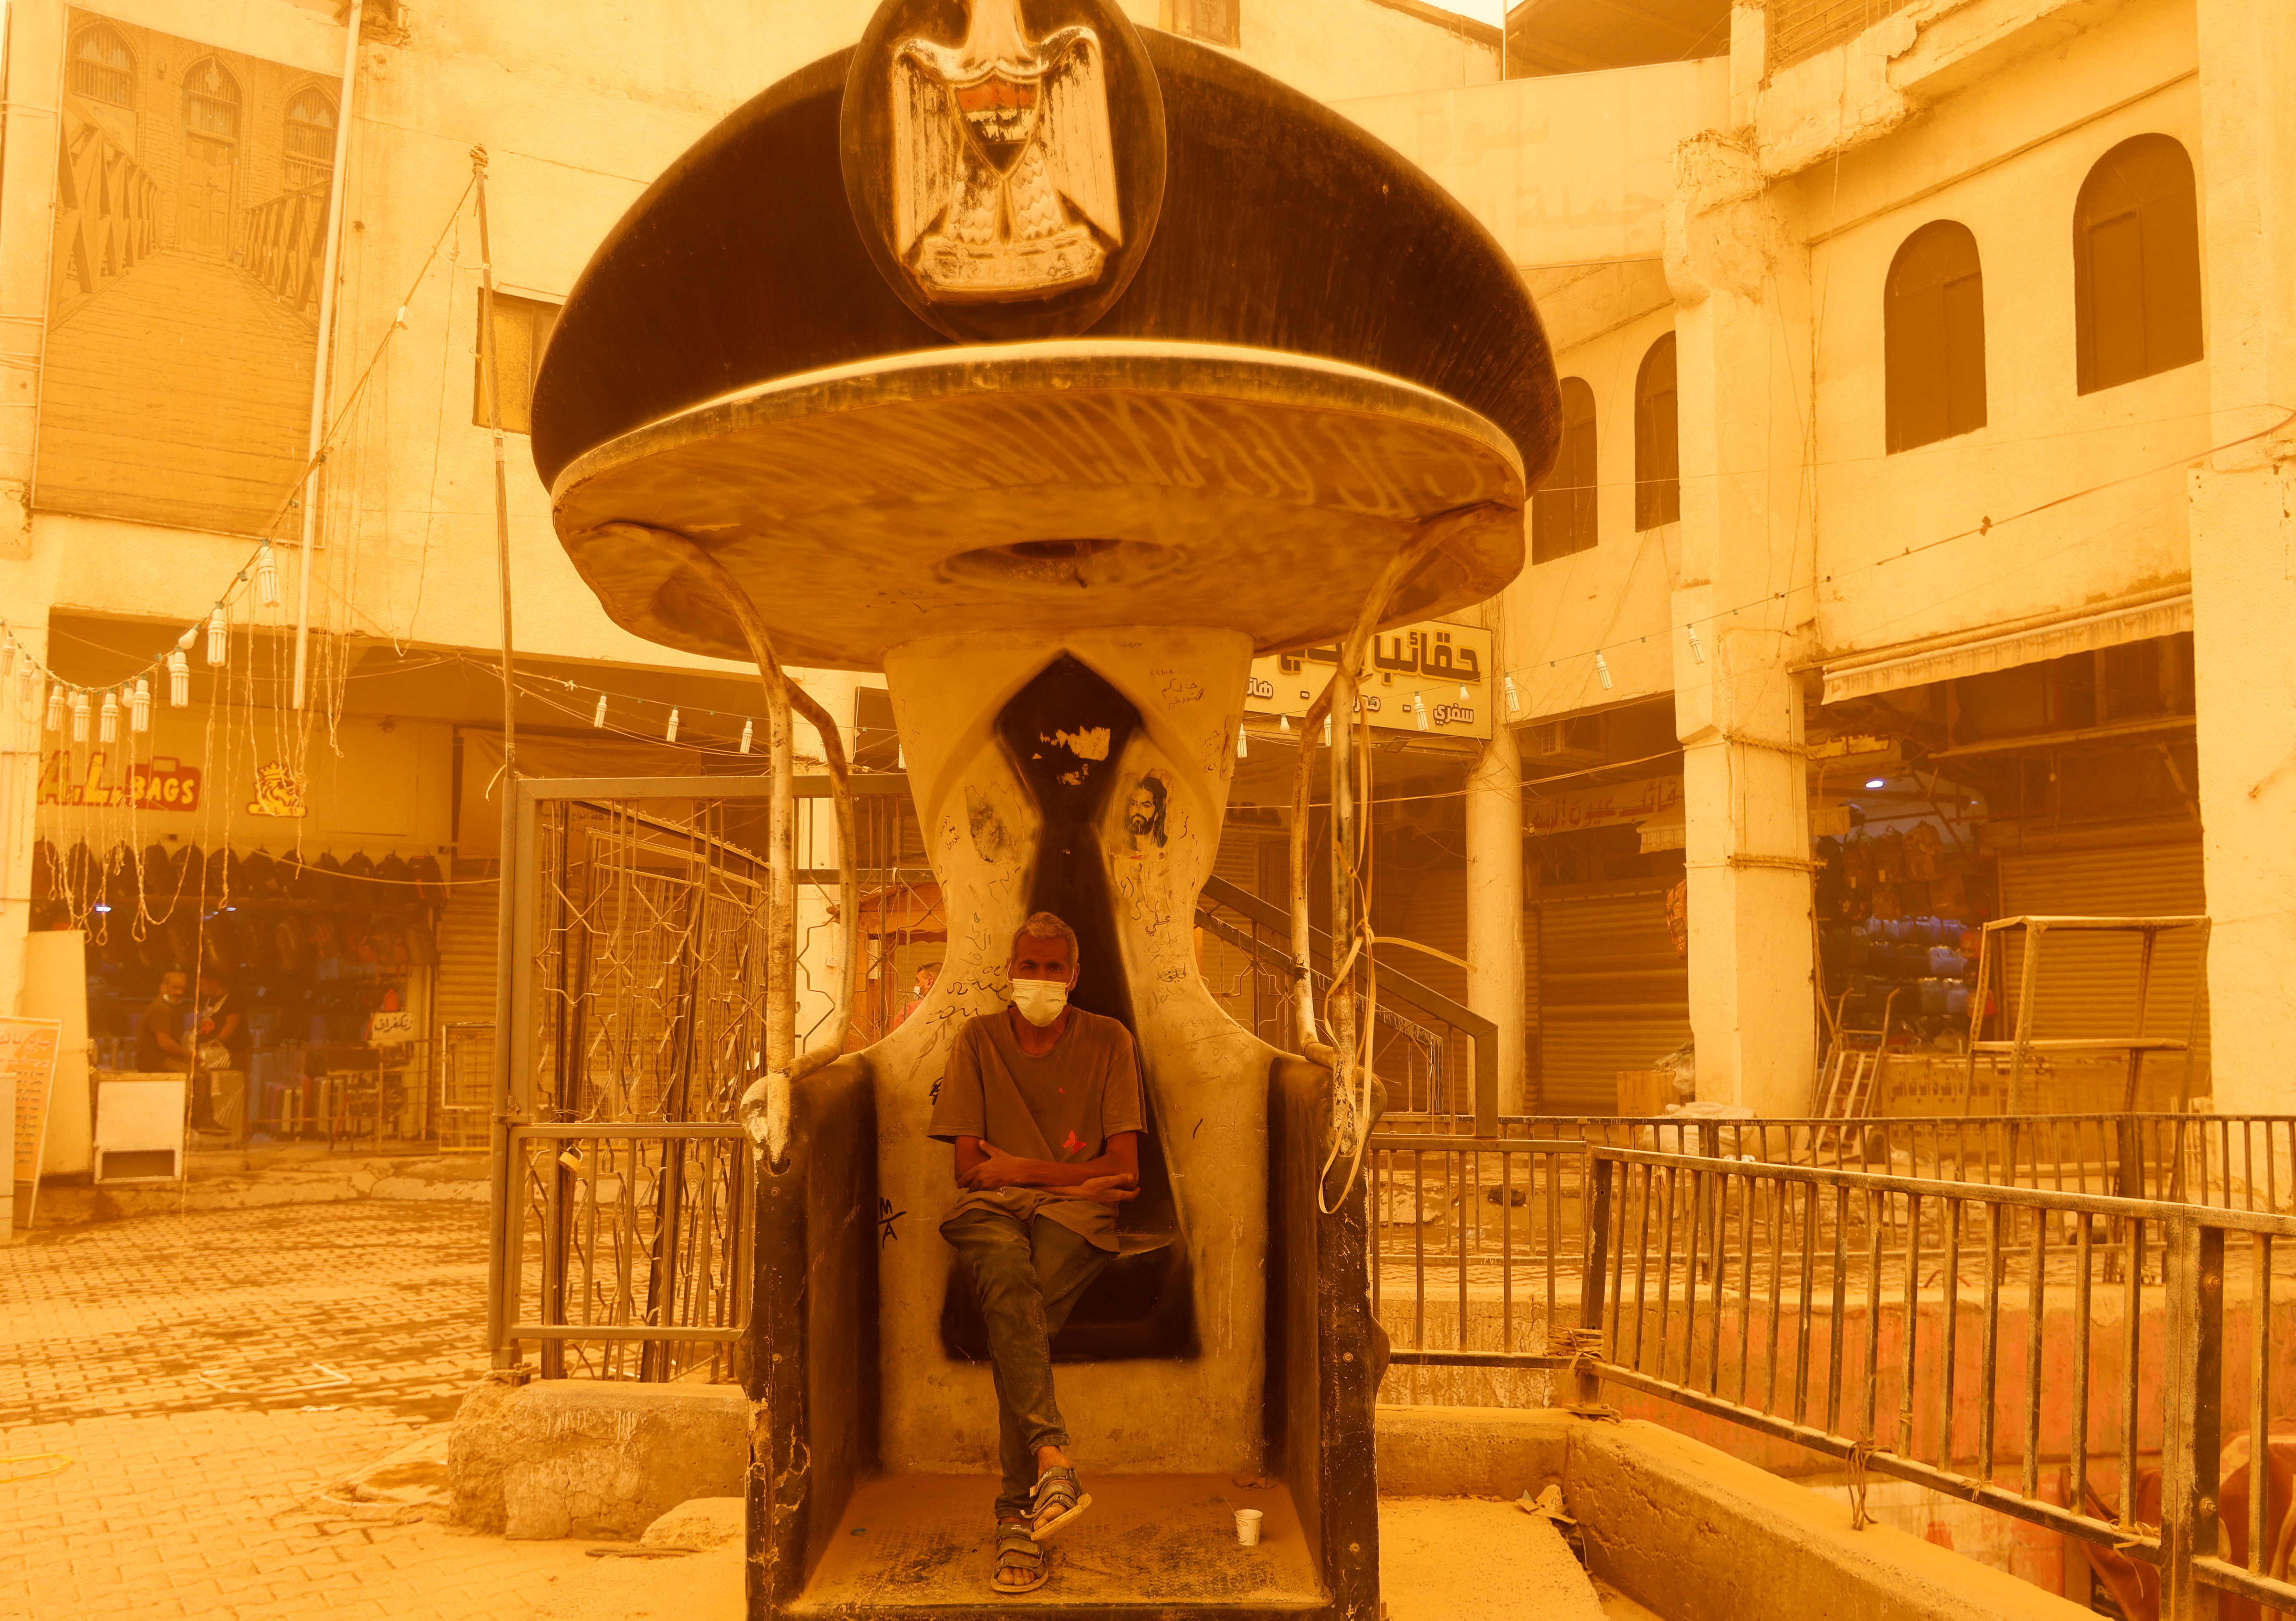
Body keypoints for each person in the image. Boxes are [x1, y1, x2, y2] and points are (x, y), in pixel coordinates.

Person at [926, 913, 1143, 1595]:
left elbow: (1126, 1170)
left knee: (1020, 1314)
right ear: (1010, 971)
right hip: (991, 1214)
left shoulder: (1109, 1040)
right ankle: (1050, 1460)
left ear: (1074, 977)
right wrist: (1076, 1172)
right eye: (1031, 965)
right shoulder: (978, 1039)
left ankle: (1017, 1511)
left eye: (1055, 968)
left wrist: (1019, 1165)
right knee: (1015, 1293)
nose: (1041, 978)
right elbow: (968, 1169)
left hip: (1075, 1219)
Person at [135, 969, 224, 1135]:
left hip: (163, 1058)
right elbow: (164, 1042)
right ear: (164, 987)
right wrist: (187, 1055)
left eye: (182, 989)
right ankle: (196, 1121)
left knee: (205, 1074)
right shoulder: (161, 1009)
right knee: (199, 1078)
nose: (179, 993)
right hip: (156, 1061)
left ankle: (206, 1120)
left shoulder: (168, 1008)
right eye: (175, 988)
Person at [892, 960, 942, 1029]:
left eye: (918, 981)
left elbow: (894, 1039)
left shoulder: (910, 1011)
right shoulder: (953, 1010)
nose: (916, 985)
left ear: (929, 983)